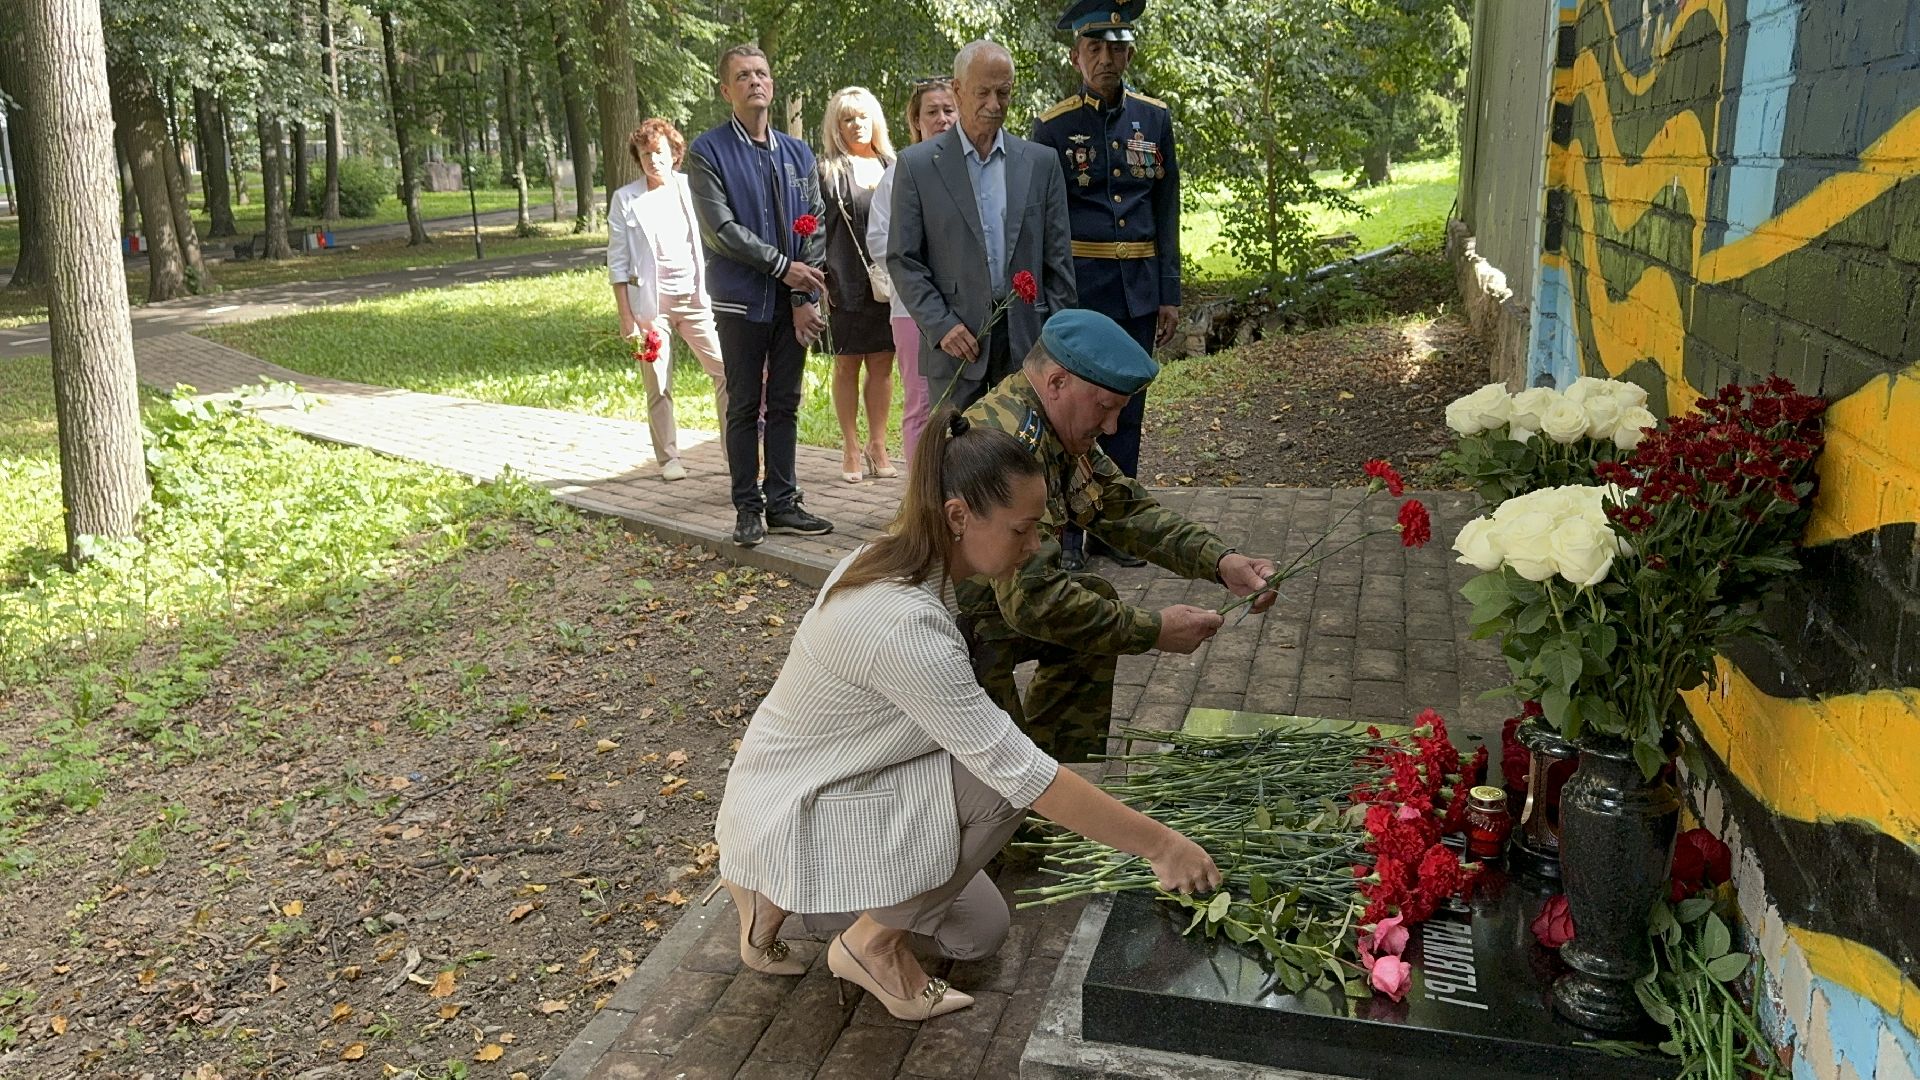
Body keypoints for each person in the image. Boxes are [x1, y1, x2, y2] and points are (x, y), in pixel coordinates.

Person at [714, 409, 1221, 1021]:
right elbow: (1022, 773)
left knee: (977, 933)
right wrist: (1162, 846)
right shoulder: (903, 626)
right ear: (959, 516)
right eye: (1024, 529)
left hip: (820, 783)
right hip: (803, 806)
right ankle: (864, 940)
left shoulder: (895, 557)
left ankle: (770, 888)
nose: (1036, 546)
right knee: (1004, 783)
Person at [960, 310, 1280, 764]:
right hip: (948, 635)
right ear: (1057, 383)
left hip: (989, 613)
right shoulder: (1011, 446)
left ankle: (1064, 776)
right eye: (1105, 407)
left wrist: (1221, 562)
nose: (1110, 428)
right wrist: (1154, 630)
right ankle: (1037, 803)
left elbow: (1123, 509)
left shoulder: (1050, 426)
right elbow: (1035, 602)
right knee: (1003, 788)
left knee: (1093, 600)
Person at [1033, 0, 1181, 571]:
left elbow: (1166, 209)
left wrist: (1169, 292)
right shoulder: (1052, 127)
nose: (1105, 59)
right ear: (1076, 56)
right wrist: (1054, 299)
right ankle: (1070, 529)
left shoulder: (1155, 119)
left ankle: (1114, 528)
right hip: (1081, 291)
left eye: (1115, 48)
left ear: (1129, 53)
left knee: (1127, 415)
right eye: (1094, 48)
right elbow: (1045, 222)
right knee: (1071, 416)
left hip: (1139, 290)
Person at [686, 44, 834, 548]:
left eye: (763, 73)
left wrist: (802, 297)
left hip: (790, 303)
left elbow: (815, 225)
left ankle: (784, 501)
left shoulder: (798, 152)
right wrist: (780, 268)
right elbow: (719, 230)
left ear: (772, 85)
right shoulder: (707, 152)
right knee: (746, 404)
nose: (756, 82)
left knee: (788, 402)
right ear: (726, 90)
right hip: (741, 302)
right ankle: (747, 507)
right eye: (743, 75)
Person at [888, 40, 1076, 415]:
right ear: (957, 91)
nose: (995, 104)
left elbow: (1058, 264)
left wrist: (1055, 341)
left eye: (1003, 93)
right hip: (956, 345)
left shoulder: (1041, 163)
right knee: (957, 461)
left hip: (1027, 342)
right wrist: (941, 325)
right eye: (983, 93)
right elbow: (903, 259)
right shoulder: (918, 166)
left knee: (1023, 457)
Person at [607, 119, 730, 481]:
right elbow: (617, 262)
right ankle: (669, 458)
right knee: (658, 383)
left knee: (726, 372)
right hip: (651, 308)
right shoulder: (625, 199)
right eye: (645, 154)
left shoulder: (692, 189)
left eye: (659, 153)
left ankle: (733, 453)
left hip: (696, 299)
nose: (653, 160)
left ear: (674, 154)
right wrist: (626, 316)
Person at [866, 78, 958, 469]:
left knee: (963, 403)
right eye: (931, 112)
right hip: (913, 311)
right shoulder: (900, 173)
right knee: (922, 403)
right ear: (916, 121)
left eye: (948, 109)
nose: (942, 119)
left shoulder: (975, 169)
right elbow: (881, 241)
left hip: (966, 308)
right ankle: (921, 502)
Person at [818, 86, 899, 484]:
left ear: (875, 121)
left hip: (887, 283)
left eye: (863, 117)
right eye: (847, 118)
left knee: (883, 364)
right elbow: (817, 229)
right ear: (837, 126)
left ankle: (878, 443)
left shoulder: (893, 164)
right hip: (844, 281)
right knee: (847, 363)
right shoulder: (828, 170)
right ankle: (850, 445)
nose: (856, 124)